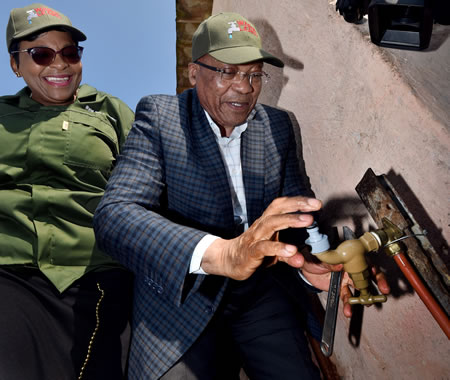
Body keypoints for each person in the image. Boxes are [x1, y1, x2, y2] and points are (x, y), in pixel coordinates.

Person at [94, 12, 389, 380]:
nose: (244, 87)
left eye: (253, 74)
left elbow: (300, 218)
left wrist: (318, 264)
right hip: (182, 300)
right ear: (193, 73)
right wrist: (222, 254)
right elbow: (115, 216)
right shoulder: (160, 116)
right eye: (226, 72)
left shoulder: (278, 126)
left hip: (260, 296)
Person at [0, 4, 135, 380]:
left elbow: (148, 188)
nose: (58, 64)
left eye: (70, 52)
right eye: (41, 54)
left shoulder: (112, 113)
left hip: (97, 272)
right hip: (11, 271)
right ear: (16, 65)